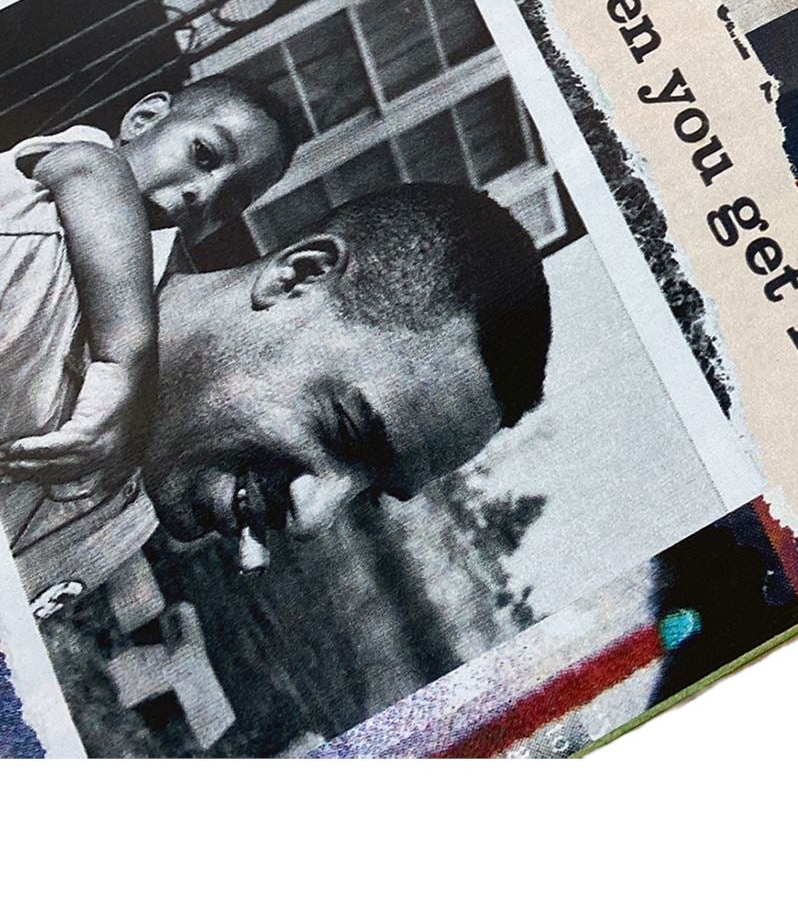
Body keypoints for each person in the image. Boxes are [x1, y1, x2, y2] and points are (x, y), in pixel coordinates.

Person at [0, 180, 552, 617]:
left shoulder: (140, 504)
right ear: (296, 278)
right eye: (344, 431)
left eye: (369, 494)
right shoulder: (21, 278)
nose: (312, 519)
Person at [0, 77, 295, 509]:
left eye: (231, 203)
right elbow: (93, 170)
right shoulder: (75, 163)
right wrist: (124, 366)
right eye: (203, 155)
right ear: (144, 118)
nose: (203, 194)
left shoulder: (146, 295)